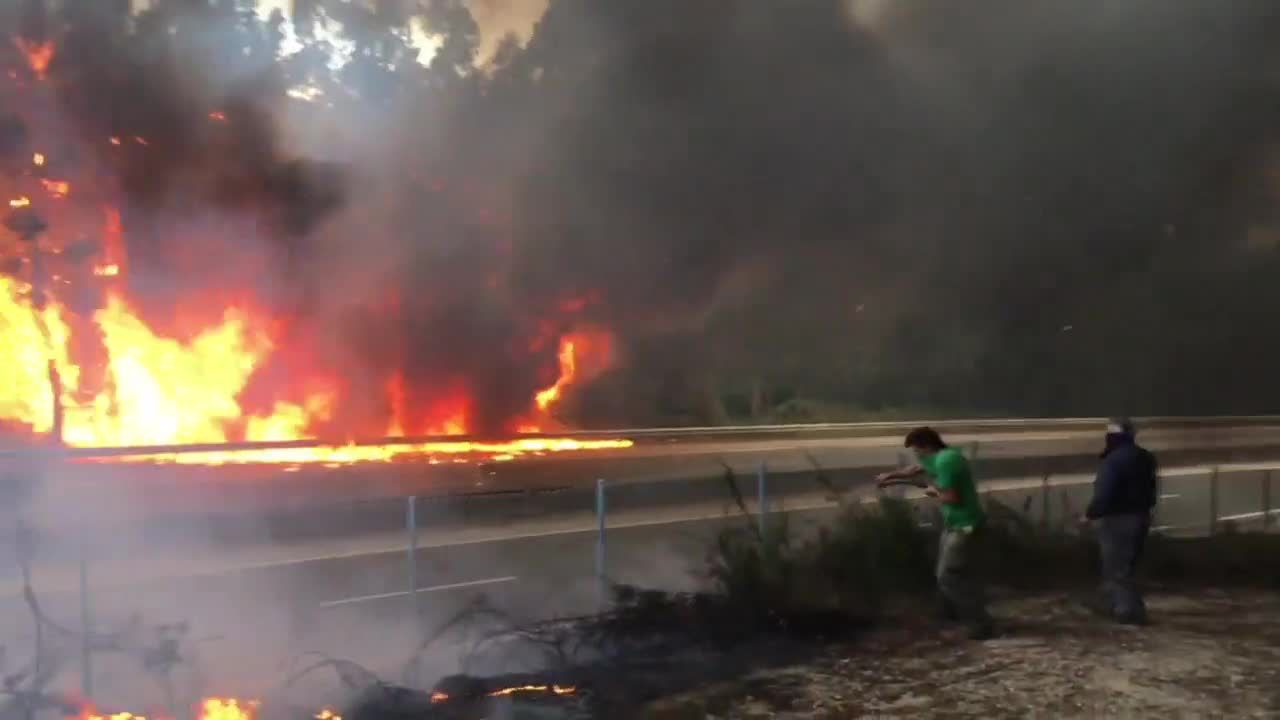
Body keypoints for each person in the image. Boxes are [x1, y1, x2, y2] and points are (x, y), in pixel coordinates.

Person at [877, 427, 994, 639]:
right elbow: (915, 472)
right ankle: (954, 616)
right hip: (954, 524)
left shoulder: (946, 462)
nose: (917, 455)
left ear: (926, 446)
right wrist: (891, 477)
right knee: (950, 573)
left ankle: (980, 624)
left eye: (917, 449)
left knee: (948, 577)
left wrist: (934, 492)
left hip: (965, 526)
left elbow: (950, 497)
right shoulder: (939, 458)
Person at [1082, 418, 1158, 625]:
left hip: (1116, 520)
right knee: (1130, 567)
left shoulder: (1112, 460)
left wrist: (1091, 513)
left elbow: (1105, 493)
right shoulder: (1146, 457)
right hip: (1141, 517)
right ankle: (1120, 605)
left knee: (1115, 568)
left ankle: (1127, 610)